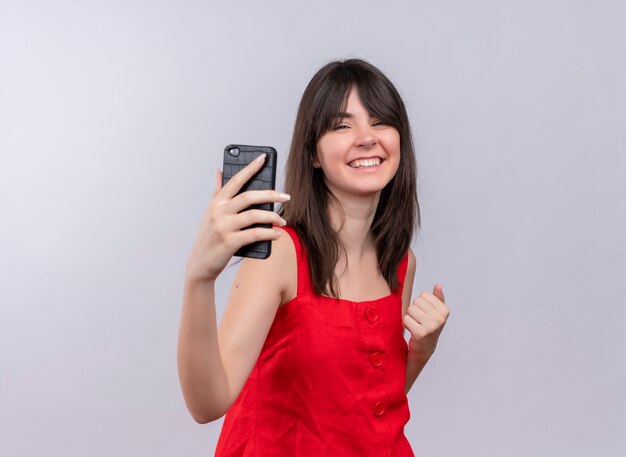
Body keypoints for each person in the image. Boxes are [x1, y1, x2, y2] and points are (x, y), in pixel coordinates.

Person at [177, 58, 450, 456]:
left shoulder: (399, 261)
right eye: (342, 125)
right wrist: (198, 277)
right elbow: (207, 404)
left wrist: (421, 352)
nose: (366, 137)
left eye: (380, 121)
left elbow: (361, 405)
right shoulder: (280, 253)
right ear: (313, 155)